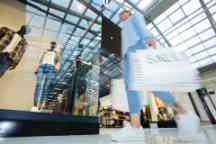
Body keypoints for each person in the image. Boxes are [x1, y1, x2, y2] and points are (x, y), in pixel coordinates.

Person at [112, 9, 185, 142]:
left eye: (123, 14)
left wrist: (149, 39)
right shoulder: (123, 29)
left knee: (152, 85)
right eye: (120, 16)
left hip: (137, 50)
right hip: (127, 58)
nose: (121, 16)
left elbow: (141, 27)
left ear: (128, 13)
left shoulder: (134, 18)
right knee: (131, 89)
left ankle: (183, 111)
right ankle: (135, 127)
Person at [33, 41, 61, 110]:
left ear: (55, 46)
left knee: (46, 86)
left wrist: (56, 69)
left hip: (51, 67)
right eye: (52, 44)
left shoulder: (57, 53)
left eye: (54, 44)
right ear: (50, 45)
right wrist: (37, 68)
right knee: (38, 84)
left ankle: (42, 102)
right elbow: (41, 60)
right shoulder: (45, 51)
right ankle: (35, 102)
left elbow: (59, 61)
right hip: (42, 66)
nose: (52, 45)